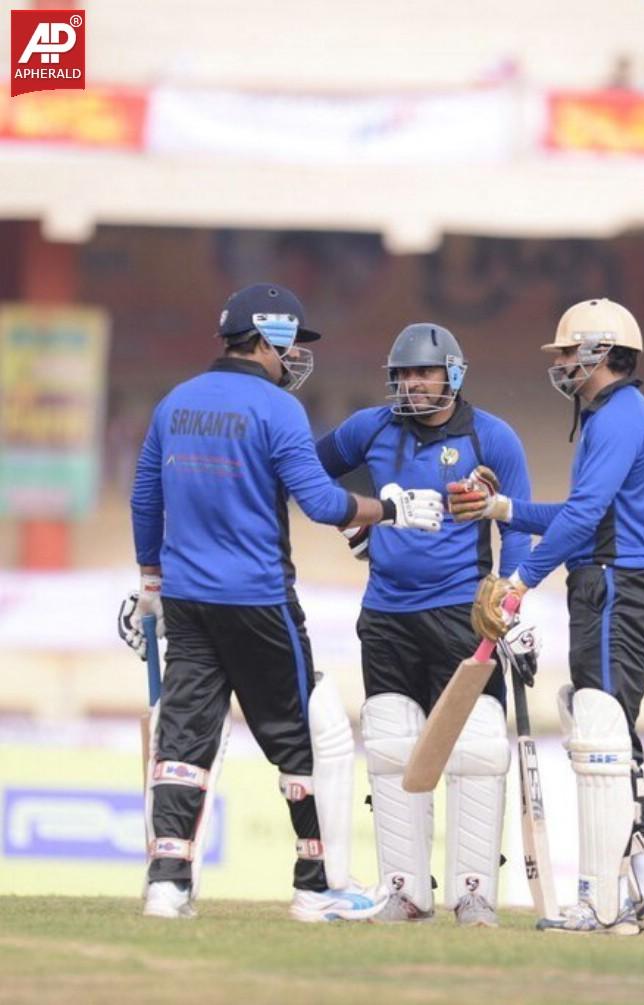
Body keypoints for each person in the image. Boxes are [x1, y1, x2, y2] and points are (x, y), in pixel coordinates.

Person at [116, 283, 443, 922]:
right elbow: (322, 504)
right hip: (259, 601)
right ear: (267, 339)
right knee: (300, 739)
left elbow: (144, 501)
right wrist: (392, 509)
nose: (296, 357)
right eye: (292, 343)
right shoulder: (277, 410)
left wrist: (149, 583)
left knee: (183, 738)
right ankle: (314, 886)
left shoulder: (174, 403)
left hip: (185, 601)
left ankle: (167, 884)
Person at [449, 298, 644, 936]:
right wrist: (501, 511)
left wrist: (519, 582)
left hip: (614, 588)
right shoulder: (620, 415)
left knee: (600, 734)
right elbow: (582, 514)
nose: (563, 365)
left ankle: (601, 903)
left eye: (570, 353)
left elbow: (582, 522)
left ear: (604, 352)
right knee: (610, 732)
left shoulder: (618, 418)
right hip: (618, 583)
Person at [315, 322, 534, 927]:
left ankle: (473, 892)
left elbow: (516, 526)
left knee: (476, 750)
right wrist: (354, 524)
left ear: (453, 376)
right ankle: (405, 892)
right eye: (403, 374)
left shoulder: (494, 438)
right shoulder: (371, 427)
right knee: (389, 747)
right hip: (385, 614)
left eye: (423, 373)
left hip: (461, 615)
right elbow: (305, 469)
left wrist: (509, 602)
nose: (411, 384)